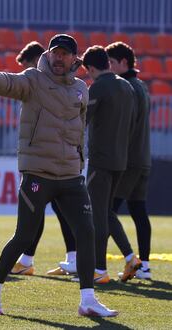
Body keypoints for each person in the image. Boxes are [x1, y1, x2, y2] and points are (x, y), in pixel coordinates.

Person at [0, 34, 117, 317]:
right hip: (38, 173)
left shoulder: (81, 88)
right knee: (24, 236)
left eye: (65, 54)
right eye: (55, 52)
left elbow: (79, 128)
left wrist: (78, 160)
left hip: (69, 175)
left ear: (74, 60)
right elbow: (11, 82)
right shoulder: (34, 79)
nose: (58, 57)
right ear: (48, 54)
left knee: (87, 232)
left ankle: (87, 300)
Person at [10, 41, 78, 276]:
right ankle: (33, 260)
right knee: (53, 213)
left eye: (27, 64)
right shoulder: (40, 85)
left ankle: (31, 260)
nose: (26, 71)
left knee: (48, 213)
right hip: (47, 160)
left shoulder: (49, 84)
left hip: (51, 163)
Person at [82, 46, 137, 284]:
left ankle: (99, 270)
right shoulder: (127, 86)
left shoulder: (99, 87)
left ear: (92, 68)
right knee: (106, 212)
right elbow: (133, 123)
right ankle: (131, 258)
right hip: (120, 159)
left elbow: (83, 118)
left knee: (97, 215)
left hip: (101, 160)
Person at [106, 42, 152, 280]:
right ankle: (145, 265)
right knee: (139, 211)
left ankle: (99, 267)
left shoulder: (127, 87)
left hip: (128, 160)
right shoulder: (142, 85)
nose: (110, 67)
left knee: (106, 211)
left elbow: (127, 126)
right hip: (144, 158)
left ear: (124, 62)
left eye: (112, 62)